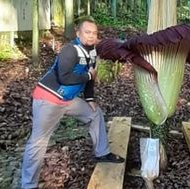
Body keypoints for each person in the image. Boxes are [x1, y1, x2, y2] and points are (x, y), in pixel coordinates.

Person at [21, 18, 124, 189]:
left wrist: (90, 99)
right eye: (87, 32)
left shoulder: (92, 52)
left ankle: (102, 153)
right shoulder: (70, 50)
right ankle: (28, 185)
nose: (91, 36)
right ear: (78, 33)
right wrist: (90, 76)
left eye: (94, 33)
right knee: (38, 141)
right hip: (49, 99)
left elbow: (90, 77)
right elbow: (66, 77)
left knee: (95, 113)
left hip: (68, 100)